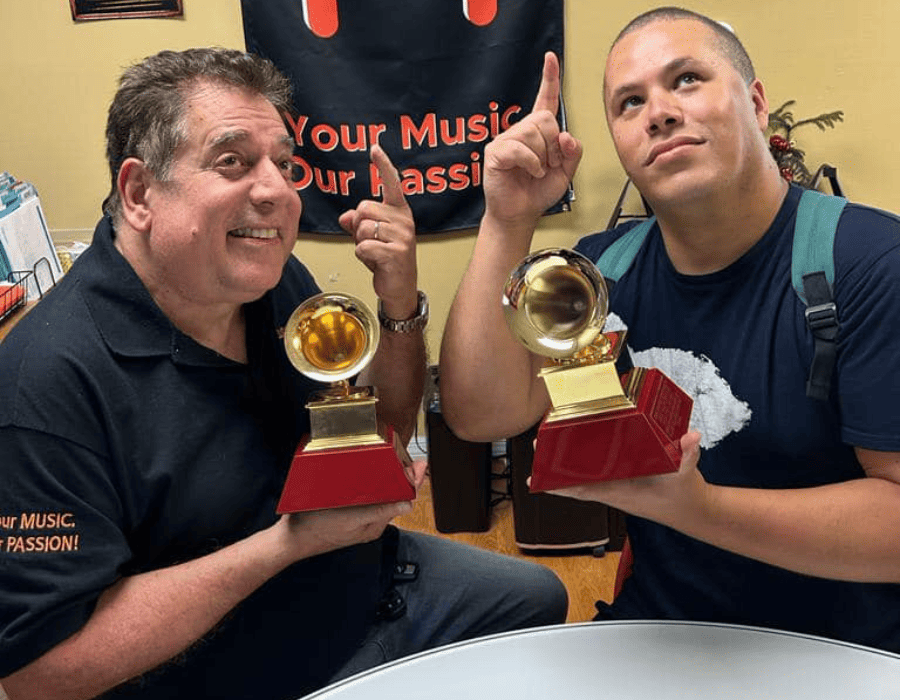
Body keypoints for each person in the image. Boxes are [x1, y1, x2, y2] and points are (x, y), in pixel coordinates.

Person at [0, 48, 567, 700]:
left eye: (286, 165)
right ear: (138, 193)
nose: (277, 191)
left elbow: (381, 426)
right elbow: (42, 672)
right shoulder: (41, 384)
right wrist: (285, 545)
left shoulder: (275, 287)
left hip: (366, 584)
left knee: (535, 598)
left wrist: (399, 302)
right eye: (233, 161)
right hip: (239, 669)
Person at [440, 6, 900, 652]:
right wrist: (506, 219)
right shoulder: (602, 274)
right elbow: (480, 414)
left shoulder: (871, 264)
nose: (657, 111)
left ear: (757, 104)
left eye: (686, 79)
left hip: (841, 650)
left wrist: (699, 510)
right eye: (629, 102)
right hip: (662, 633)